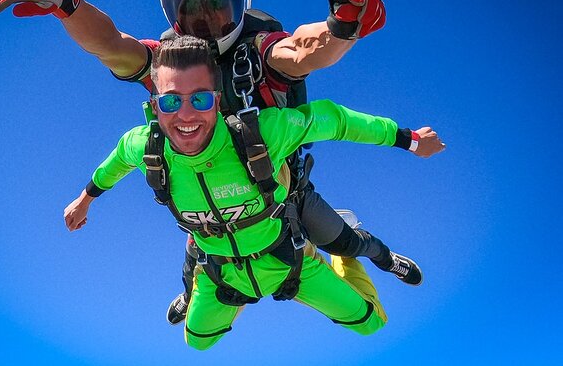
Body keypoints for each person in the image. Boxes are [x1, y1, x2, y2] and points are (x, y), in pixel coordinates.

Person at [0, 0, 391, 324]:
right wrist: (70, 6)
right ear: (175, 19)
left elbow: (303, 51)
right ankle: (191, 291)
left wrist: (341, 24)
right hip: (207, 196)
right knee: (198, 250)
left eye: (217, 6)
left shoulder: (259, 50)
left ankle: (384, 257)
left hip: (281, 190)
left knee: (346, 242)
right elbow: (111, 45)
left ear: (236, 3)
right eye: (193, 12)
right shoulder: (171, 65)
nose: (208, 22)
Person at [63, 36, 445, 350]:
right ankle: (196, 289)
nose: (185, 115)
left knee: (369, 322)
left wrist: (408, 140)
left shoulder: (260, 133)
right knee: (197, 343)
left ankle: (356, 258)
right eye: (169, 101)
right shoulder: (145, 145)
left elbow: (336, 120)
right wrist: (86, 198)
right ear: (153, 106)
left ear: (216, 98)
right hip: (221, 273)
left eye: (199, 99)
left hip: (286, 259)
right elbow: (114, 164)